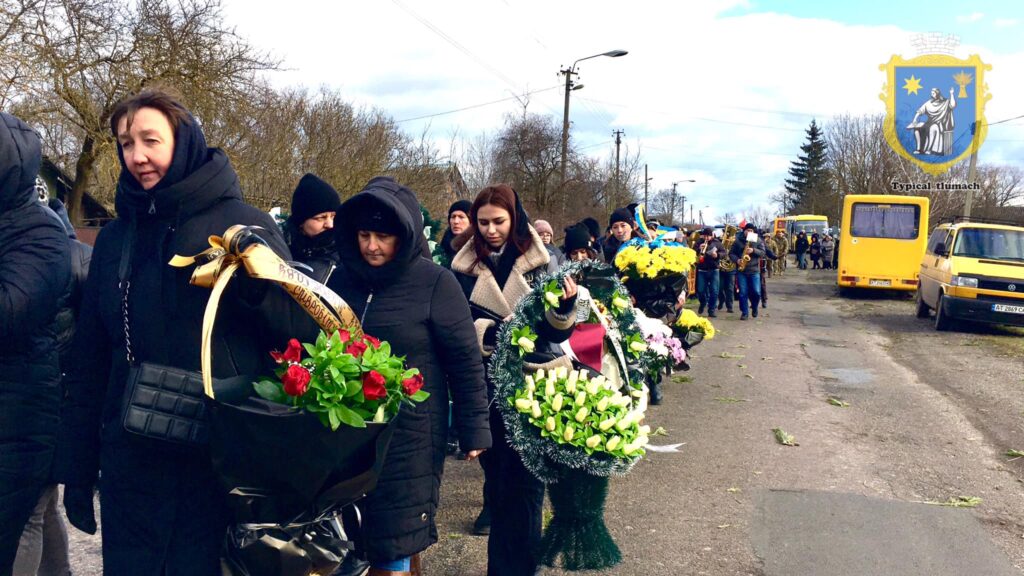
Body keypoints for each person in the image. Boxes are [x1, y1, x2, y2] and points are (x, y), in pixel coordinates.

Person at [54, 88, 290, 575]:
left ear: (183, 140)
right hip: (132, 464)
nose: (136, 156)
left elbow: (293, 336)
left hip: (217, 467)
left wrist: (257, 291)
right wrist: (76, 466)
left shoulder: (242, 225)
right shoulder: (119, 236)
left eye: (150, 140)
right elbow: (92, 357)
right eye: (125, 143)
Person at [317, 176, 491, 576]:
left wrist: (474, 430)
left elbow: (464, 361)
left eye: (382, 236)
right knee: (348, 535)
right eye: (364, 234)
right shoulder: (339, 279)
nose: (372, 246)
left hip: (410, 434)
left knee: (395, 534)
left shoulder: (435, 282)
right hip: (346, 430)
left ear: (405, 236)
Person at [450, 184, 578, 576]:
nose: (490, 230)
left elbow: (559, 333)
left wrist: (565, 308)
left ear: (515, 218)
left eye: (498, 221)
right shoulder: (461, 266)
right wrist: (493, 333)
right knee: (499, 484)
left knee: (526, 487)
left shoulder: (543, 262)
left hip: (536, 385)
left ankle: (521, 567)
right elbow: (456, 325)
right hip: (489, 387)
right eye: (483, 222)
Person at [0, 113, 71, 575]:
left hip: (22, 407)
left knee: (17, 521)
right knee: (39, 508)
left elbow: (10, 314)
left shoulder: (41, 231)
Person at [13, 196, 87, 576]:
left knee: (29, 511)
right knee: (41, 505)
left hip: (42, 400)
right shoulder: (73, 253)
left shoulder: (33, 250)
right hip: (57, 397)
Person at [285, 173, 340, 283]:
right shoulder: (281, 252)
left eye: (333, 217)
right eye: (321, 218)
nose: (330, 224)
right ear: (301, 222)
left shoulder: (346, 257)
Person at [729, 223, 766, 320]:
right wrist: (737, 260)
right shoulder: (737, 241)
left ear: (753, 232)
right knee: (742, 293)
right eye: (747, 230)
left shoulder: (758, 240)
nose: (749, 232)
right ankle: (744, 312)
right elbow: (731, 254)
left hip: (754, 271)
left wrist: (753, 250)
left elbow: (763, 253)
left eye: (751, 231)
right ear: (744, 231)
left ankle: (754, 307)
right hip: (742, 271)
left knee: (756, 292)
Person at [910, 87, 956, 155]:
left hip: (939, 124)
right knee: (917, 128)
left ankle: (929, 149)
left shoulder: (945, 102)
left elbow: (952, 105)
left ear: (937, 94)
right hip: (929, 123)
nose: (932, 95)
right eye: (931, 93)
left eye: (933, 93)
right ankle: (919, 149)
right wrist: (914, 119)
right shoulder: (929, 103)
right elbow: (920, 110)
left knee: (933, 128)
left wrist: (951, 94)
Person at [693, 227, 724, 318]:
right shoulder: (699, 242)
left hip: (714, 269)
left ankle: (711, 310)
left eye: (708, 236)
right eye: (705, 236)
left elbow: (724, 253)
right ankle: (703, 303)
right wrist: (699, 249)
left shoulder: (717, 243)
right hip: (702, 270)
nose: (706, 238)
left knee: (714, 291)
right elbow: (692, 252)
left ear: (711, 236)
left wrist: (717, 255)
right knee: (701, 290)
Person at [438, 199, 472, 267]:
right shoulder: (443, 246)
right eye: (453, 217)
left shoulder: (480, 247)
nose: (456, 221)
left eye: (461, 217)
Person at [717, 225, 737, 314]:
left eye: (729, 232)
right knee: (719, 287)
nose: (728, 234)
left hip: (731, 267)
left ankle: (730, 306)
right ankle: (722, 299)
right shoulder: (720, 240)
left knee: (730, 288)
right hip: (721, 268)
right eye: (726, 232)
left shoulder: (735, 242)